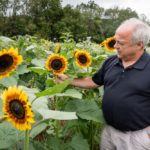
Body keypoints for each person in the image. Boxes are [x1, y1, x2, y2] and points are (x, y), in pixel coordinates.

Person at [56, 18, 150, 150]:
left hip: (136, 138)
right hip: (109, 131)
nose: (115, 46)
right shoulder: (111, 61)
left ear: (139, 45)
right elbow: (93, 81)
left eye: (120, 43)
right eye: (115, 41)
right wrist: (68, 80)